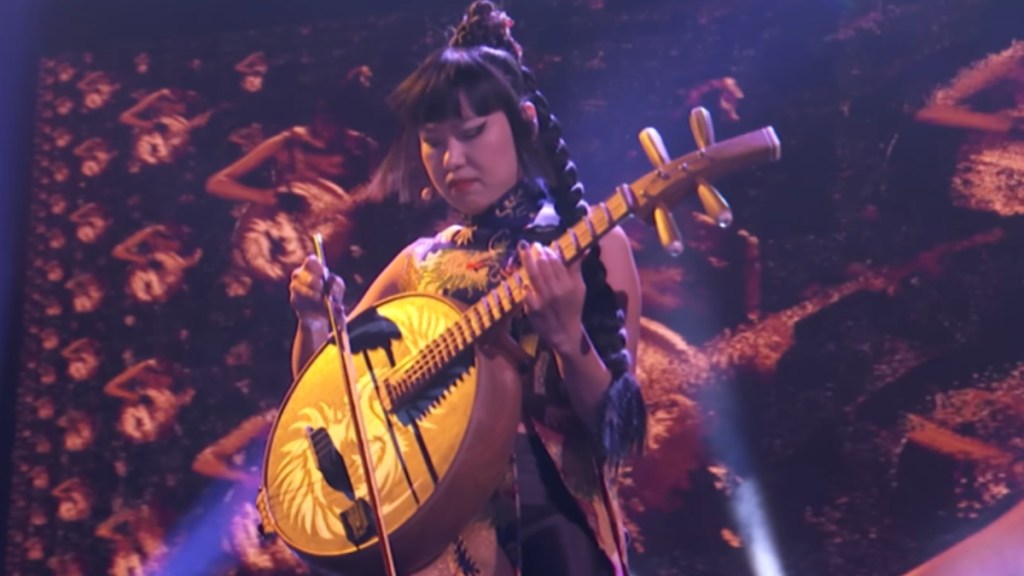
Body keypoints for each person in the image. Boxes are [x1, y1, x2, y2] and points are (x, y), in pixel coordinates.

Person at [287, 2, 646, 574]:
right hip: (441, 535)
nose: (452, 159)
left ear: (524, 121)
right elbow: (331, 397)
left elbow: (616, 433)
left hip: (553, 526)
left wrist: (568, 338)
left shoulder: (593, 245)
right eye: (433, 142)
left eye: (473, 132)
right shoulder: (420, 264)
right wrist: (311, 320)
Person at [206, 72, 380, 283]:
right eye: (323, 120)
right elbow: (216, 183)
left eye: (335, 124)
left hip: (328, 247)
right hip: (275, 232)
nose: (326, 129)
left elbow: (377, 190)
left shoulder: (363, 149)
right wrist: (261, 196)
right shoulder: (288, 141)